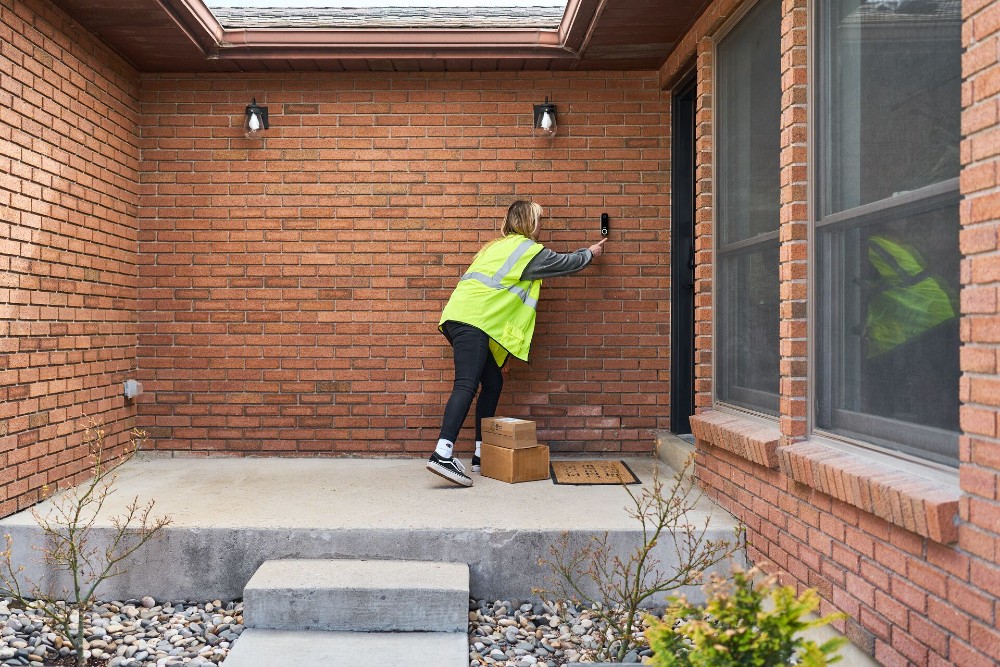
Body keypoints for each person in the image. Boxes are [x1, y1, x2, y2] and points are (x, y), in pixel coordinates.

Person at [426, 201, 607, 487]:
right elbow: (564, 263)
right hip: (474, 321)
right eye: (539, 220)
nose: (542, 226)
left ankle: (481, 453)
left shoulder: (494, 247)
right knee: (466, 385)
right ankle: (442, 452)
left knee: (493, 382)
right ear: (529, 222)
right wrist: (590, 253)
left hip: (462, 318)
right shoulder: (526, 251)